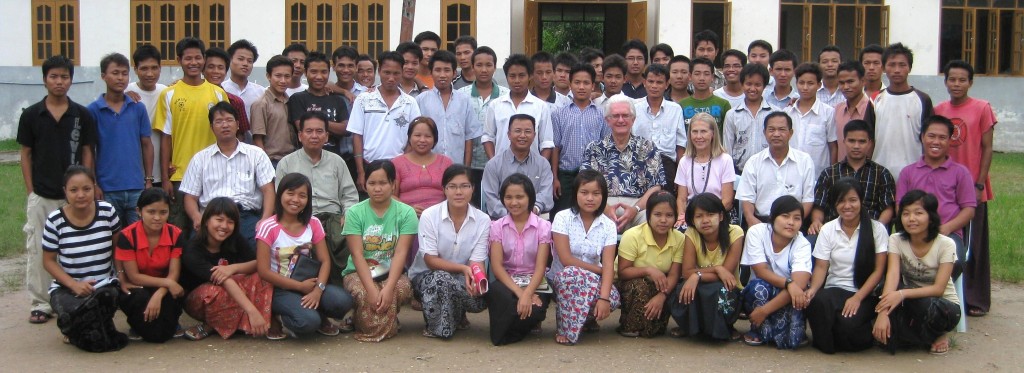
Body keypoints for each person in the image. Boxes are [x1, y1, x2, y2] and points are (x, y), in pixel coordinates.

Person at [20, 55, 97, 324]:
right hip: (42, 193)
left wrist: (89, 185)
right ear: (44, 80)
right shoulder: (31, 115)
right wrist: (32, 191)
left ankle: (79, 294)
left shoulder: (81, 114)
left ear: (71, 80)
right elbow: (26, 154)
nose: (59, 81)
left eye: (64, 77)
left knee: (79, 247)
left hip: (76, 197)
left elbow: (88, 151)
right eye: (54, 76)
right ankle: (41, 303)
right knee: (39, 249)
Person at [256, 173, 355, 338]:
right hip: (280, 289)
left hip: (309, 283)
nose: (295, 199)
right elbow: (263, 271)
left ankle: (318, 313)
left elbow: (325, 261)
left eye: (302, 196)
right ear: (280, 194)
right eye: (290, 193)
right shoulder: (268, 227)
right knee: (307, 322)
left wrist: (318, 289)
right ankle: (282, 316)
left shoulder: (313, 223)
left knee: (343, 301)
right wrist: (299, 287)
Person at [933, 60, 996, 317]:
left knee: (974, 244)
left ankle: (977, 299)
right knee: (948, 242)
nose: (956, 84)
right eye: (952, 79)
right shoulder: (939, 109)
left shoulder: (982, 108)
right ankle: (947, 293)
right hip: (944, 187)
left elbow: (988, 148)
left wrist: (979, 183)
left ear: (971, 82)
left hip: (973, 185)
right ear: (945, 81)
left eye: (962, 80)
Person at [42, 166, 126, 352]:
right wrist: (73, 285)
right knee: (72, 309)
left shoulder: (107, 212)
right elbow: (48, 261)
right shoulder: (55, 221)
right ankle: (80, 325)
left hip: (103, 286)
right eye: (74, 190)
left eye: (86, 189)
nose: (81, 195)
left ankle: (76, 328)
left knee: (106, 298)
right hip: (67, 289)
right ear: (65, 191)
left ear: (94, 188)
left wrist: (120, 276)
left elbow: (118, 248)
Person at [152, 38, 228, 237]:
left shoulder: (218, 94)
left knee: (213, 230)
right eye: (188, 58)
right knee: (179, 231)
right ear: (179, 60)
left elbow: (227, 133)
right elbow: (165, 138)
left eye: (197, 58)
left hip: (214, 173)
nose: (193, 62)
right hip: (180, 175)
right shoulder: (169, 94)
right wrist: (166, 178)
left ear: (204, 59)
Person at [805, 179, 888, 353]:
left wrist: (857, 297)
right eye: (841, 201)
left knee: (847, 325)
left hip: (864, 292)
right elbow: (821, 267)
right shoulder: (828, 229)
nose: (847, 206)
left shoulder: (876, 229)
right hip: (835, 288)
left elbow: (878, 271)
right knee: (817, 302)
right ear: (835, 204)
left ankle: (858, 331)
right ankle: (828, 344)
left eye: (852, 200)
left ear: (861, 201)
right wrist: (812, 290)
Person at [874, 190, 961, 355]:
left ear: (931, 216)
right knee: (882, 289)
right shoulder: (896, 239)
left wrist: (900, 294)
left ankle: (936, 333)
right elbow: (892, 275)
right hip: (909, 299)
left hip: (942, 306)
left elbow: (938, 289)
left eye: (918, 213)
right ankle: (918, 336)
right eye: (905, 214)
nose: (911, 219)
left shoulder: (946, 244)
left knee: (921, 305)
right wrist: (882, 313)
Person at [276, 111, 359, 284]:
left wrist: (348, 214)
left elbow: (349, 195)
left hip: (333, 217)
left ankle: (343, 288)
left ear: (326, 136)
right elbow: (281, 198)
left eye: (319, 131)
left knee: (347, 237)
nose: (314, 136)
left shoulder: (337, 161)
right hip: (301, 218)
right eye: (309, 131)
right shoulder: (287, 163)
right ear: (300, 135)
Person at [409, 165, 489, 338]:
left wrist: (477, 279)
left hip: (462, 278)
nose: (458, 192)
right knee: (440, 278)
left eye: (464, 186)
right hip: (425, 276)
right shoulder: (429, 215)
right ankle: (438, 328)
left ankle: (457, 313)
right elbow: (430, 260)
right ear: (444, 189)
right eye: (452, 186)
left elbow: (477, 260)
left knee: (480, 296)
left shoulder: (483, 220)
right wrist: (463, 269)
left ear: (473, 189)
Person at [180, 102, 276, 248]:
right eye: (219, 122)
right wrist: (196, 217)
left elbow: (268, 190)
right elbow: (190, 197)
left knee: (259, 249)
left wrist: (265, 220)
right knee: (192, 252)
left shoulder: (256, 154)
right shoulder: (200, 158)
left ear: (237, 124)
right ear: (212, 127)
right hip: (211, 217)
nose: (225, 125)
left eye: (229, 120)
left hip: (245, 216)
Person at [341, 160, 417, 342]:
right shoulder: (354, 213)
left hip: (391, 272)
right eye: (372, 183)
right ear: (364, 184)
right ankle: (379, 320)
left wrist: (389, 287)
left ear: (393, 184)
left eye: (383, 183)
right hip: (358, 272)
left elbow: (401, 253)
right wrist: (371, 290)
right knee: (368, 295)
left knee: (402, 288)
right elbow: (357, 254)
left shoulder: (407, 213)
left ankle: (367, 319)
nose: (377, 188)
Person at [181, 197, 273, 340]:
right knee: (215, 292)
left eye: (230, 222)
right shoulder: (193, 249)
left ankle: (243, 324)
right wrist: (252, 311)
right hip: (199, 300)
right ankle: (218, 323)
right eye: (219, 220)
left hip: (231, 290)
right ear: (206, 220)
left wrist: (233, 268)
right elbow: (223, 280)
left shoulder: (235, 239)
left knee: (262, 277)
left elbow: (259, 263)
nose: (224, 226)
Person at [549, 170, 620, 345]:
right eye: (584, 193)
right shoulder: (562, 218)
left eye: (596, 194)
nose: (590, 198)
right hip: (563, 278)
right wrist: (600, 270)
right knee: (571, 274)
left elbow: (609, 263)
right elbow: (567, 260)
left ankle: (586, 319)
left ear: (603, 196)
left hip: (592, 281)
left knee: (613, 298)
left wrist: (604, 299)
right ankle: (567, 329)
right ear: (575, 194)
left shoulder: (609, 225)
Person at [896, 115, 976, 265]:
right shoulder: (908, 172)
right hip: (913, 233)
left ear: (950, 140)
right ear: (922, 137)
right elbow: (900, 206)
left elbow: (969, 210)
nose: (936, 142)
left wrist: (945, 228)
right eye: (931, 136)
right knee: (894, 261)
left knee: (954, 263)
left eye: (942, 137)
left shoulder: (960, 173)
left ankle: (940, 289)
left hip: (948, 234)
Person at [485, 173, 552, 345]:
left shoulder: (543, 227)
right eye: (508, 197)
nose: (514, 202)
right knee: (498, 294)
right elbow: (497, 267)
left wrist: (529, 293)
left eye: (519, 197)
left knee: (537, 309)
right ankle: (515, 326)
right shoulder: (497, 226)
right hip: (507, 281)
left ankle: (515, 325)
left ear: (530, 197)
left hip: (535, 281)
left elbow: (540, 267)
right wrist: (521, 294)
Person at [581, 96, 665, 233]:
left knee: (651, 219)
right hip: (602, 204)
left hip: (638, 206)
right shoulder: (594, 148)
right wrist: (605, 208)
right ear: (607, 120)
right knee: (587, 215)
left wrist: (635, 209)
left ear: (633, 119)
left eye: (625, 115)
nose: (621, 120)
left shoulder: (647, 147)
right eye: (615, 116)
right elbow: (584, 183)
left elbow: (655, 186)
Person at [89, 52, 154, 224]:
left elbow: (147, 144)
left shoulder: (137, 108)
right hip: (107, 189)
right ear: (103, 76)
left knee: (136, 238)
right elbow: (88, 150)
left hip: (136, 187)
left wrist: (148, 180)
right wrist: (93, 183)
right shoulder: (93, 111)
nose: (120, 78)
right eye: (115, 73)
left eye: (124, 73)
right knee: (108, 238)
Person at [740, 196, 813, 349]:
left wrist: (765, 311)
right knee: (759, 287)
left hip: (789, 296)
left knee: (792, 340)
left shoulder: (802, 244)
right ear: (772, 218)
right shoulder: (757, 232)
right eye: (785, 216)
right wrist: (789, 283)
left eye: (797, 218)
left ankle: (778, 327)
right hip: (763, 292)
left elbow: (799, 284)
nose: (791, 222)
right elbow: (760, 271)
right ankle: (758, 330)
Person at [670, 193, 745, 340]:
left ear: (721, 216)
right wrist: (717, 268)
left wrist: (697, 275)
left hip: (724, 285)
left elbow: (727, 275)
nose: (705, 220)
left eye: (710, 214)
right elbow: (686, 271)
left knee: (721, 290)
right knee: (685, 289)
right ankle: (690, 328)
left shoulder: (735, 233)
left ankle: (726, 328)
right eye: (699, 216)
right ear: (692, 220)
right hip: (700, 283)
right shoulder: (691, 233)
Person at [115, 188, 185, 343]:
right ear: (139, 211)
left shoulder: (176, 234)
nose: (157, 218)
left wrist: (159, 293)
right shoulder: (127, 235)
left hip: (165, 287)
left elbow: (174, 273)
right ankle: (137, 323)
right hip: (139, 286)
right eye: (151, 212)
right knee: (139, 300)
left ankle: (167, 321)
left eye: (163, 212)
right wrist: (167, 283)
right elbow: (134, 276)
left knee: (162, 334)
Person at [350, 51, 422, 191]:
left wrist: (403, 163)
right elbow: (357, 136)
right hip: (369, 164)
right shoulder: (363, 99)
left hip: (400, 167)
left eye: (396, 73)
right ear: (379, 72)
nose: (391, 78)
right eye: (387, 72)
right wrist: (360, 172)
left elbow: (414, 136)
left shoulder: (410, 102)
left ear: (402, 72)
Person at [810, 120, 896, 234]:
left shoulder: (882, 173)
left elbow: (888, 207)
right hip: (834, 232)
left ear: (870, 143)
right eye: (851, 141)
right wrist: (816, 221)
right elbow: (819, 206)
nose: (856, 146)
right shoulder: (829, 173)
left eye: (862, 142)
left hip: (870, 231)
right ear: (844, 141)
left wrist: (877, 229)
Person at [615, 191, 683, 338]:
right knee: (639, 286)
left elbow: (674, 275)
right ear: (648, 216)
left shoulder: (679, 239)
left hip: (660, 284)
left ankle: (646, 325)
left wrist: (662, 296)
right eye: (657, 215)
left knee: (656, 328)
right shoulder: (633, 235)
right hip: (628, 282)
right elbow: (623, 272)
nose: (663, 220)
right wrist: (648, 270)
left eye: (669, 215)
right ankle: (628, 325)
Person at [736, 112, 815, 226]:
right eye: (771, 130)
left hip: (793, 223)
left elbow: (808, 199)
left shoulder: (804, 160)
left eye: (782, 129)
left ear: (790, 133)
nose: (776, 134)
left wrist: (796, 222)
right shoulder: (753, 162)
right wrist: (751, 220)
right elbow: (747, 198)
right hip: (761, 221)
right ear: (764, 133)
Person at [551, 63, 608, 217]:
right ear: (570, 85)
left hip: (593, 173)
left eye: (586, 83)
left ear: (593, 86)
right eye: (577, 82)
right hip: (566, 173)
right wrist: (555, 177)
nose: (581, 87)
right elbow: (555, 147)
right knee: (564, 214)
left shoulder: (601, 114)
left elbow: (606, 146)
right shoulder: (559, 114)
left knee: (591, 213)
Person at [873, 42, 934, 180]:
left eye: (902, 65)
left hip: (914, 174)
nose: (897, 70)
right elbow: (869, 138)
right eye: (892, 64)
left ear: (910, 68)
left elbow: (929, 137)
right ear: (884, 68)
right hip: (880, 173)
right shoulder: (876, 100)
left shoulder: (922, 100)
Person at [288, 51, 353, 169]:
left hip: (335, 162)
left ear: (329, 73)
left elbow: (345, 129)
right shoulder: (297, 99)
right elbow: (302, 127)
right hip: (305, 163)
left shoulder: (338, 100)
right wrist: (331, 126)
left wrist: (315, 123)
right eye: (313, 72)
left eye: (324, 72)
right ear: (305, 73)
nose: (319, 76)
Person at [416, 50, 482, 166]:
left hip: (456, 166)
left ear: (454, 73)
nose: (442, 75)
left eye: (447, 70)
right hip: (427, 167)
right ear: (431, 72)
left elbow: (469, 137)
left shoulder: (464, 100)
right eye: (437, 70)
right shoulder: (421, 100)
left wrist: (465, 169)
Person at [482, 54, 554, 160]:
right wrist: (494, 163)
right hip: (502, 168)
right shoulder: (495, 105)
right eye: (512, 76)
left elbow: (547, 142)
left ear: (530, 76)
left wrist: (540, 167)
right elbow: (487, 137)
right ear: (506, 77)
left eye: (521, 75)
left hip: (531, 169)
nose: (517, 80)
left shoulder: (541, 106)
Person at [482, 114, 555, 219]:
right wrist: (513, 216)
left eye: (527, 131)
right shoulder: (493, 165)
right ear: (509, 134)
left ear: (534, 135)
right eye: (517, 131)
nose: (522, 135)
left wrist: (532, 211)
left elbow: (546, 195)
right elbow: (491, 200)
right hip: (502, 222)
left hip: (535, 220)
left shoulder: (543, 164)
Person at [674, 113, 736, 227]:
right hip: (692, 216)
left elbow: (727, 201)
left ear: (713, 134)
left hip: (718, 215)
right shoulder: (684, 161)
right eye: (695, 132)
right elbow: (682, 199)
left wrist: (706, 218)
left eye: (703, 131)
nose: (698, 136)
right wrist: (683, 216)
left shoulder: (725, 160)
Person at [632, 63, 686, 189]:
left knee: (665, 203)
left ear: (667, 84)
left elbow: (680, 144)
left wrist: (681, 175)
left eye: (659, 82)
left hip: (666, 164)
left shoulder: (675, 109)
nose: (654, 86)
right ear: (644, 82)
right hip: (639, 162)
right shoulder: (634, 108)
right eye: (651, 81)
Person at [458, 46, 509, 169]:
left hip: (498, 164)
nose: (484, 70)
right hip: (468, 164)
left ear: (495, 67)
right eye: (479, 65)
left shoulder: (506, 96)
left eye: (489, 65)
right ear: (472, 67)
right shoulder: (461, 95)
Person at [783, 62, 837, 177]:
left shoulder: (828, 112)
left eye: (810, 83)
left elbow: (833, 146)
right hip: (789, 174)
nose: (805, 87)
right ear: (796, 83)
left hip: (818, 175)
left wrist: (832, 174)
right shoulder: (787, 113)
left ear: (818, 85)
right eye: (801, 83)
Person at [394, 117, 454, 218]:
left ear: (435, 139)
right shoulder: (397, 163)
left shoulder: (446, 162)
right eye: (417, 135)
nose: (422, 140)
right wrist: (408, 209)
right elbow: (390, 196)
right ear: (409, 137)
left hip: (440, 218)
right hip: (406, 218)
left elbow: (454, 192)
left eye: (428, 136)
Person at [723, 63, 777, 174]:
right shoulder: (732, 114)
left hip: (769, 171)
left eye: (758, 84)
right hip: (739, 172)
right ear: (742, 84)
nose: (752, 88)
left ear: (765, 86)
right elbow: (727, 148)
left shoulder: (775, 113)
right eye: (748, 84)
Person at [125, 44, 167, 187]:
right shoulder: (127, 91)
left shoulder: (166, 92)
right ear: (135, 69)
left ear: (160, 68)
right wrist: (123, 95)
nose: (150, 74)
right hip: (133, 172)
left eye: (154, 68)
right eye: (144, 68)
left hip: (161, 173)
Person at [251, 55, 295, 164]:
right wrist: (264, 164)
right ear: (268, 76)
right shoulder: (261, 104)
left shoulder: (291, 101)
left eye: (287, 76)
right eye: (278, 76)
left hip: (292, 159)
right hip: (272, 161)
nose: (283, 80)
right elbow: (257, 139)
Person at [204, 47, 252, 142]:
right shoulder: (191, 97)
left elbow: (241, 134)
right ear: (203, 69)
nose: (216, 71)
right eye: (211, 67)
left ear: (226, 71)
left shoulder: (235, 102)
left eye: (220, 67)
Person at [834, 60, 876, 159]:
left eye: (850, 82)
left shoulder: (874, 109)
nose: (846, 87)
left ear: (863, 81)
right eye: (841, 83)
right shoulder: (837, 110)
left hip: (867, 171)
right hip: (841, 172)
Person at [679, 57, 731, 131]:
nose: (702, 78)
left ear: (712, 77)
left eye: (706, 74)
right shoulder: (682, 105)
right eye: (697, 74)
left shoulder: (723, 104)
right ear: (690, 76)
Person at [223, 39, 266, 121]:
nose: (245, 64)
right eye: (240, 59)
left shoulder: (261, 92)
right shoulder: (222, 89)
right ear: (229, 60)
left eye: (250, 61)